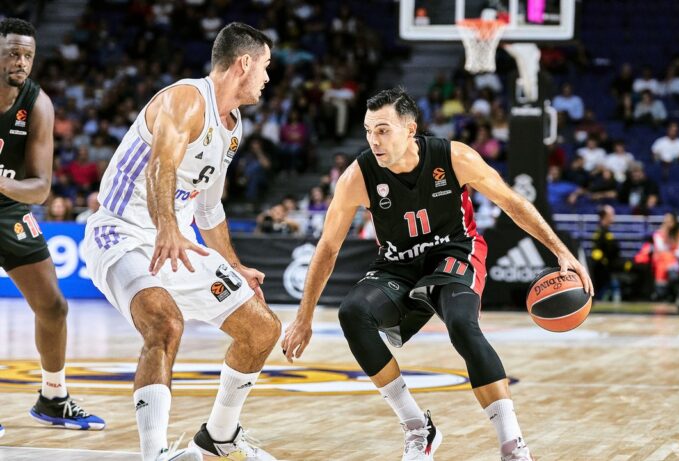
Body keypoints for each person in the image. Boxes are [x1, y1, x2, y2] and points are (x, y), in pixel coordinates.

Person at [281, 88, 593, 461]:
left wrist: (560, 250)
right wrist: (304, 317)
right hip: (398, 264)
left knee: (461, 323)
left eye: (383, 130)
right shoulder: (357, 177)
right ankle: (417, 427)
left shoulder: (454, 156)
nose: (374, 140)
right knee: (352, 313)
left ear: (410, 129)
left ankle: (513, 446)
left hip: (455, 252)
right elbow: (328, 247)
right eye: (368, 131)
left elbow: (512, 202)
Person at [82, 23, 280, 461]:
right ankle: (154, 453)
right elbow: (160, 166)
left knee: (262, 328)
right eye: (266, 66)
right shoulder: (187, 99)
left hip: (178, 245)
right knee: (164, 324)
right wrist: (167, 226)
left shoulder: (232, 127)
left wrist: (235, 266)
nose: (268, 77)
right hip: (121, 233)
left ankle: (219, 435)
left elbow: (209, 208)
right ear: (244, 63)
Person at [0, 17, 104, 438]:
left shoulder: (37, 104)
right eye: (13, 53)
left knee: (54, 307)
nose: (21, 62)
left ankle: (53, 397)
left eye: (28, 55)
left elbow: (41, 188)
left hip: (9, 209)